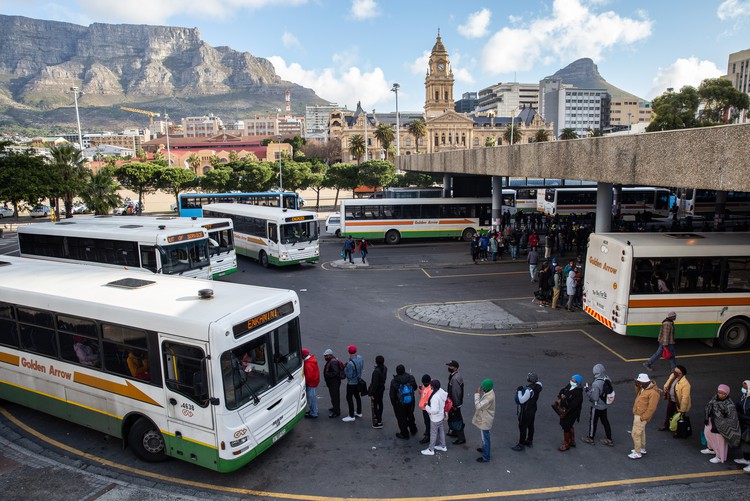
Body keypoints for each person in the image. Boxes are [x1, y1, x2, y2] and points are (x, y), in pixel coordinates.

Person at [702, 384, 741, 464]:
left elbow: (732, 418)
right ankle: (712, 449)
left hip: (722, 426)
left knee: (720, 442)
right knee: (707, 434)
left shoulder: (729, 404)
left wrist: (722, 422)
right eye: (719, 392)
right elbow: (709, 406)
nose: (720, 394)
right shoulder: (714, 398)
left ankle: (720, 457)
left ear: (727, 394)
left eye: (723, 393)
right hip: (711, 421)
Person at [629, 373, 660, 459]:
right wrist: (637, 385)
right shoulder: (644, 388)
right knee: (641, 432)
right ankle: (642, 448)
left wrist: (644, 417)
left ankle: (637, 452)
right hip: (639, 414)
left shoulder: (653, 393)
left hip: (641, 416)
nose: (639, 384)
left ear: (645, 382)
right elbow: (638, 393)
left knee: (635, 433)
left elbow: (652, 407)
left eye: (640, 382)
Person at [582, 364, 614, 447]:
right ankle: (609, 438)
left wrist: (588, 391)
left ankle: (590, 438)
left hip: (596, 406)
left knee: (593, 421)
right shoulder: (607, 378)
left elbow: (595, 397)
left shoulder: (596, 383)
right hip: (604, 404)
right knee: (605, 421)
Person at [512, 372, 542, 451]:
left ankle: (521, 444)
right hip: (533, 409)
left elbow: (521, 400)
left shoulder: (529, 390)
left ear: (529, 380)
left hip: (526, 411)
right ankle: (529, 440)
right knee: (531, 425)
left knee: (522, 426)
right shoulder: (538, 386)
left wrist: (519, 391)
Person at [659, 365, 691, 434]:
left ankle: (678, 430)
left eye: (676, 371)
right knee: (668, 414)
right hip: (671, 400)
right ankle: (666, 425)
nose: (674, 372)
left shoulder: (686, 384)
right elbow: (667, 383)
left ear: (681, 374)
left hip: (678, 403)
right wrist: (666, 389)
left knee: (679, 417)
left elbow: (685, 398)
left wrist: (682, 409)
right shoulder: (673, 376)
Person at [389, 364, 418, 439]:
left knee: (401, 418)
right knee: (410, 415)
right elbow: (415, 387)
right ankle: (413, 429)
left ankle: (404, 433)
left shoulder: (394, 381)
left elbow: (392, 395)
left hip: (400, 403)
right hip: (411, 401)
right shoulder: (411, 377)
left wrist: (394, 404)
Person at [556, 374, 584, 451]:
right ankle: (572, 441)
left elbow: (572, 405)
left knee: (566, 426)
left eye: (573, 380)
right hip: (567, 411)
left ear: (577, 383)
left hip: (571, 412)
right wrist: (561, 394)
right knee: (568, 425)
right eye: (571, 379)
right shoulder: (569, 386)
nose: (571, 381)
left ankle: (566, 443)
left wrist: (563, 400)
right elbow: (563, 390)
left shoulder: (578, 393)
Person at [421, 379, 448, 456]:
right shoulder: (441, 391)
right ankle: (443, 446)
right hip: (441, 416)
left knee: (433, 433)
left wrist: (426, 406)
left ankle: (431, 449)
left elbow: (433, 411)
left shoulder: (435, 397)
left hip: (435, 418)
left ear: (433, 386)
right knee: (441, 431)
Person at [473, 379, 495, 463]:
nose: (482, 388)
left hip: (486, 419)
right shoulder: (490, 393)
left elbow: (478, 406)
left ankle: (486, 457)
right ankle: (484, 448)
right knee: (484, 436)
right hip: (485, 418)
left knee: (485, 437)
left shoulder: (489, 397)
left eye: (483, 387)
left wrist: (477, 394)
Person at [446, 360, 466, 445]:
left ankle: (461, 438)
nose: (449, 368)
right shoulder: (457, 375)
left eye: (450, 366)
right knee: (453, 418)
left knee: (456, 419)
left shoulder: (454, 379)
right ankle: (454, 432)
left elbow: (456, 392)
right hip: (455, 402)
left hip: (455, 403)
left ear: (455, 368)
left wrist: (454, 405)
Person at [342, 345, 364, 422]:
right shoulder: (360, 358)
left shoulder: (350, 363)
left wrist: (344, 368)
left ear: (349, 352)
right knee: (357, 396)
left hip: (351, 383)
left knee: (349, 397)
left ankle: (351, 415)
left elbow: (349, 375)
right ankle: (359, 412)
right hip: (358, 380)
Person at [734, 379, 750, 472]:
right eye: (743, 386)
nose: (743, 388)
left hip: (748, 423)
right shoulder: (743, 396)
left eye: (745, 387)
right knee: (745, 443)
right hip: (743, 423)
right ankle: (746, 459)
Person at [368, 355, 387, 429]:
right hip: (382, 388)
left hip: (377, 390)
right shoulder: (385, 368)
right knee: (380, 403)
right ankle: (379, 416)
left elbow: (374, 384)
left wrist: (371, 393)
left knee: (375, 405)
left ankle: (378, 421)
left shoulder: (376, 372)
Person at [322, 348, 342, 418]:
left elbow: (335, 372)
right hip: (333, 382)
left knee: (335, 397)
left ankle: (336, 411)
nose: (325, 357)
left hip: (334, 382)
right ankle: (335, 407)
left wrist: (328, 375)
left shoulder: (333, 362)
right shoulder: (332, 360)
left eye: (326, 356)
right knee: (333, 396)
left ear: (330, 355)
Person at [302, 348, 320, 419]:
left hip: (310, 383)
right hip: (314, 381)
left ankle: (313, 413)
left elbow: (308, 376)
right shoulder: (312, 360)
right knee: (313, 397)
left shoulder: (308, 364)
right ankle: (314, 410)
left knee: (311, 398)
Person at [417, 374, 433, 444]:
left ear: (429, 382)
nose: (423, 384)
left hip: (427, 409)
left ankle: (428, 436)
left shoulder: (430, 390)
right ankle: (427, 432)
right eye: (423, 383)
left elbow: (430, 400)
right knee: (426, 422)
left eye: (425, 383)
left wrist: (425, 405)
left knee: (428, 423)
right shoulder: (425, 387)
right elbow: (422, 394)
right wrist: (420, 389)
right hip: (424, 408)